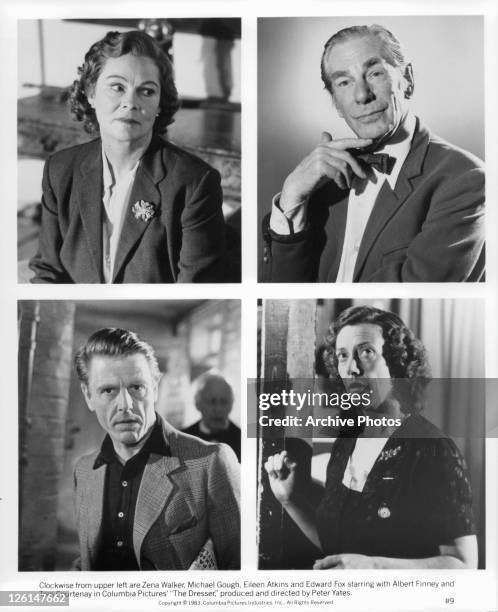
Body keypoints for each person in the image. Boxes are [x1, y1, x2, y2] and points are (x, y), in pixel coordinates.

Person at [261, 24, 484, 282]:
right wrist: (291, 197)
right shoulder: (322, 185)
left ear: (407, 80)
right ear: (335, 103)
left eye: (375, 73)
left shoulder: (466, 179)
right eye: (344, 82)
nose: (362, 95)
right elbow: (281, 288)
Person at [265, 306, 477, 569]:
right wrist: (291, 499)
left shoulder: (433, 449)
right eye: (342, 356)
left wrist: (374, 568)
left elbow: (463, 564)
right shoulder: (348, 441)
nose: (351, 368)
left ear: (398, 362)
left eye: (366, 352)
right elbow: (339, 550)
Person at [30, 30, 227, 283]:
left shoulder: (195, 183)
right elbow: (48, 272)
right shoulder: (59, 170)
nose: (130, 102)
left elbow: (197, 287)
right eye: (117, 87)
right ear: (91, 93)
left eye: (146, 91)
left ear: (159, 105)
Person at [73, 328, 240, 570]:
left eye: (136, 388)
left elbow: (237, 567)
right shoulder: (84, 470)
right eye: (108, 390)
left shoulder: (211, 461)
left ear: (155, 387)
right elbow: (87, 560)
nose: (125, 405)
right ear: (88, 395)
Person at [182, 371, 241, 461]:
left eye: (224, 402)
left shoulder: (244, 442)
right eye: (212, 402)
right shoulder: (182, 440)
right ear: (197, 404)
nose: (218, 409)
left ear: (231, 404)